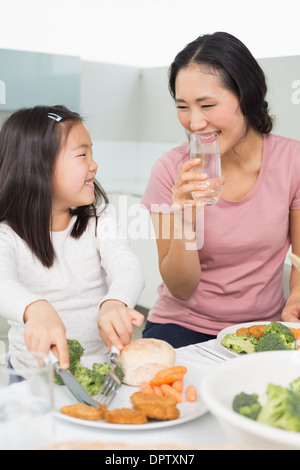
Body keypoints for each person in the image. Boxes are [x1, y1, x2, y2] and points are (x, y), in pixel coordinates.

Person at [141, 31, 300, 348]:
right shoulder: (170, 169)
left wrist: (295, 297)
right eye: (183, 106)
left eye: (208, 105)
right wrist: (185, 220)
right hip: (182, 325)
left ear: (247, 97)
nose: (194, 122)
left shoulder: (292, 161)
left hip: (261, 328)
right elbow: (180, 289)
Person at [0, 105, 145, 368]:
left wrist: (116, 300)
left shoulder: (99, 219)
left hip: (96, 368)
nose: (94, 164)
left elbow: (127, 266)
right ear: (38, 167)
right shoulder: (7, 235)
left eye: (92, 152)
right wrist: (35, 308)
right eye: (82, 155)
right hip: (29, 374)